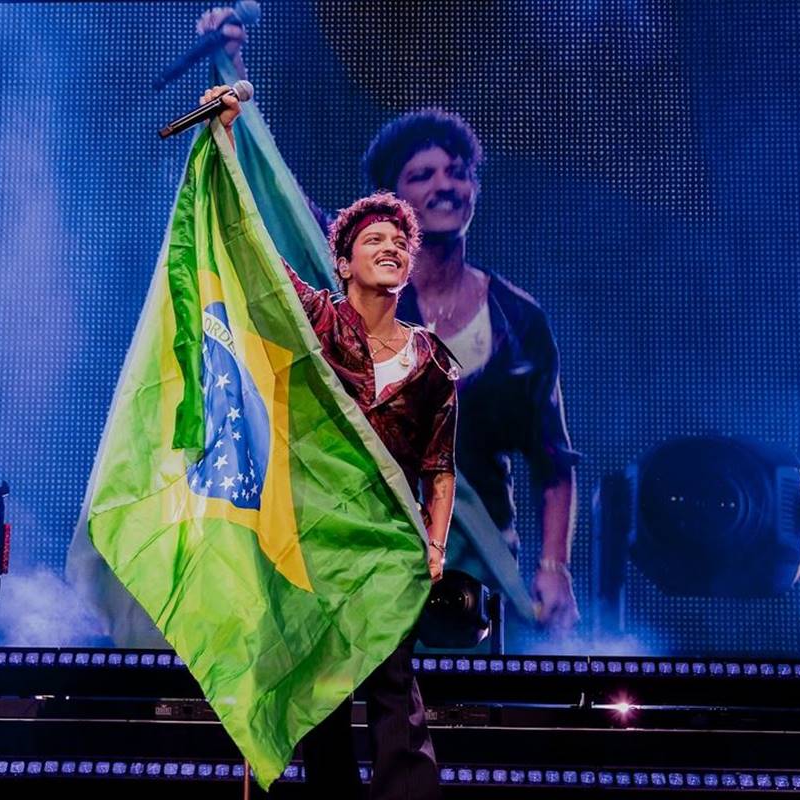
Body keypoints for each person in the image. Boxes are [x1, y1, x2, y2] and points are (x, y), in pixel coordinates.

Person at [195, 9, 580, 641]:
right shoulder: (346, 276)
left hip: (474, 578)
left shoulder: (519, 318)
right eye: (422, 176)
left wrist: (554, 566)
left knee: (474, 721)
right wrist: (229, 71)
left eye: (457, 170)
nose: (445, 185)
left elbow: (554, 460)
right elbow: (270, 192)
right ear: (393, 203)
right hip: (362, 552)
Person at [205, 85, 456, 800]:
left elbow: (440, 467)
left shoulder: (433, 362)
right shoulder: (317, 321)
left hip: (388, 547)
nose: (390, 249)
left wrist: (434, 547)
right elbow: (249, 244)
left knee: (394, 695)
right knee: (317, 700)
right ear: (343, 263)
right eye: (373, 241)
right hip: (313, 536)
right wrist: (225, 141)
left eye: (398, 244)